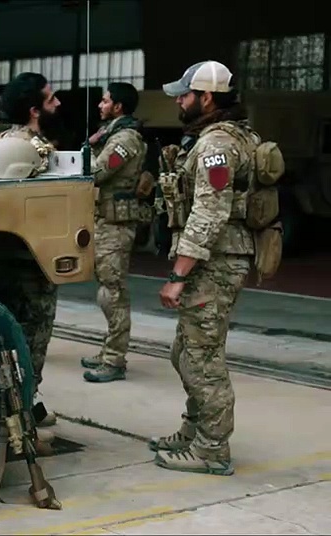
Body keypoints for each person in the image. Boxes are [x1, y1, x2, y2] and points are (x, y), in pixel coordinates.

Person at [150, 60, 253, 476]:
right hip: (212, 260)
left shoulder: (217, 145)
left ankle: (212, 449)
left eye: (185, 95)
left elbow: (209, 213)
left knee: (202, 359)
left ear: (207, 98)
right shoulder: (214, 137)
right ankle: (194, 431)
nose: (179, 101)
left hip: (216, 262)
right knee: (185, 352)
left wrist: (178, 276)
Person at [0, 71, 62, 436]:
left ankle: (17, 406)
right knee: (30, 345)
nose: (58, 104)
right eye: (51, 99)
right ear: (34, 110)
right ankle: (20, 415)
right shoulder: (33, 150)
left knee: (5, 340)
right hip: (31, 262)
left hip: (0, 259)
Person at [81, 82, 151, 383]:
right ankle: (108, 350)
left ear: (118, 107)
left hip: (116, 225)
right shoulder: (111, 134)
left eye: (105, 101)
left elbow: (97, 173)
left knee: (113, 293)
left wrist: (84, 154)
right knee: (107, 289)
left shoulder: (125, 139)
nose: (100, 105)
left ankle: (114, 359)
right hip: (105, 222)